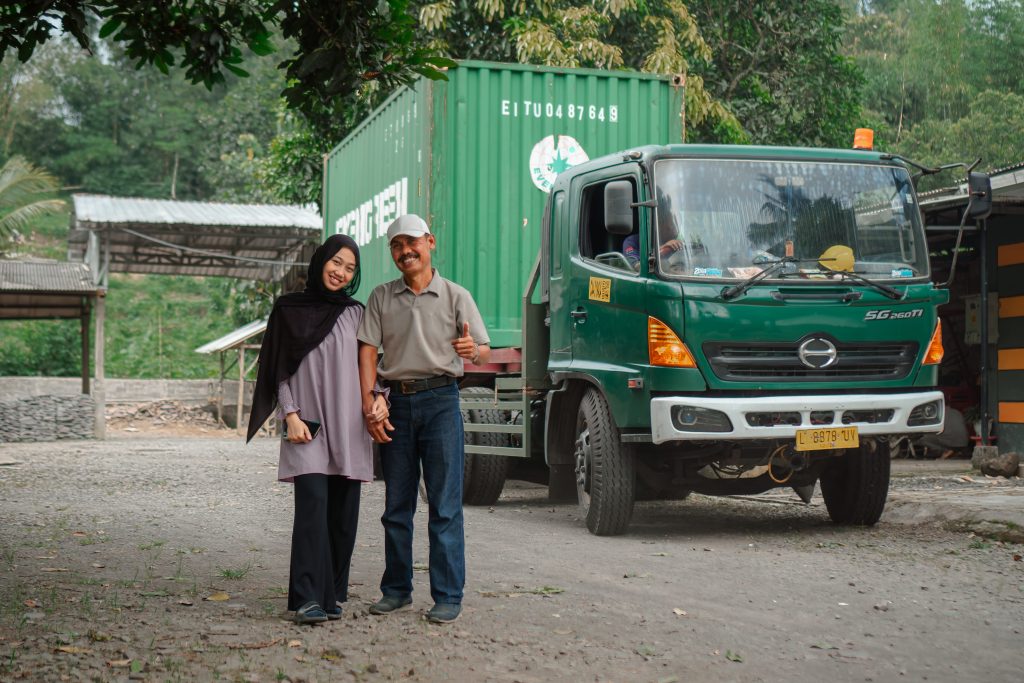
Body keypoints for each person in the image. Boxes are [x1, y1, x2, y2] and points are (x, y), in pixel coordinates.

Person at [247, 234, 388, 625]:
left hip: (349, 426)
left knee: (343, 516)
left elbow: (373, 365)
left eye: (350, 268)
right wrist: (289, 414)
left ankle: (330, 594)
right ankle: (307, 597)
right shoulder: (289, 309)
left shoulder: (358, 314)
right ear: (321, 260)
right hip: (307, 424)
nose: (341, 272)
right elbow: (276, 367)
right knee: (312, 509)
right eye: (336, 262)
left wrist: (379, 396)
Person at [356, 213, 490, 624]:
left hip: (441, 403)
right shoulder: (381, 297)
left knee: (445, 505)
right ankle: (396, 591)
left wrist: (472, 350)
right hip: (395, 403)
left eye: (411, 242)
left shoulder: (455, 295)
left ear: (430, 242)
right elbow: (366, 351)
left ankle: (448, 595)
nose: (404, 251)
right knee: (397, 505)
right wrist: (368, 404)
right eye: (396, 245)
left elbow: (482, 350)